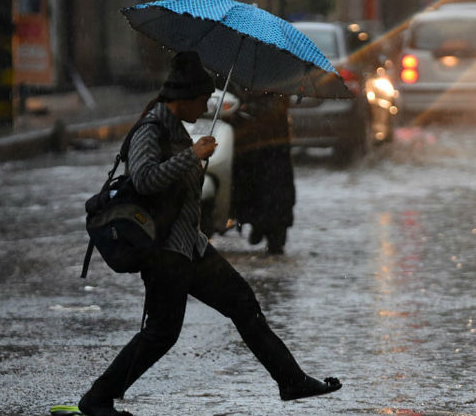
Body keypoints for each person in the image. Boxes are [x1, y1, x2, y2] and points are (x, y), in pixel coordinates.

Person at [77, 51, 341, 416]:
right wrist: (192, 155)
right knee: (161, 334)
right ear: (183, 97)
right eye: (202, 99)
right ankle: (97, 399)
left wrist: (193, 160)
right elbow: (144, 178)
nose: (205, 106)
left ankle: (291, 380)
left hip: (190, 244)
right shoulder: (150, 129)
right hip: (165, 250)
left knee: (243, 304)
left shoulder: (174, 128)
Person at [225, 91, 295, 254]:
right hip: (253, 134)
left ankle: (266, 226)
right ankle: (260, 223)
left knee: (272, 184)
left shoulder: (277, 77)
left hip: (269, 135)